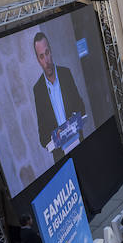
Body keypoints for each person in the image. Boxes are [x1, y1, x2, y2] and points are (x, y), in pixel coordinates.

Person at [32, 31, 86, 162]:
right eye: (41, 56)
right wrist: (54, 136)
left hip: (79, 143)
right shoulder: (38, 89)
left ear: (51, 51)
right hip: (60, 156)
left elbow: (81, 108)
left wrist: (73, 122)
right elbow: (42, 137)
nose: (47, 60)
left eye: (47, 53)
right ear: (38, 60)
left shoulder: (66, 74)